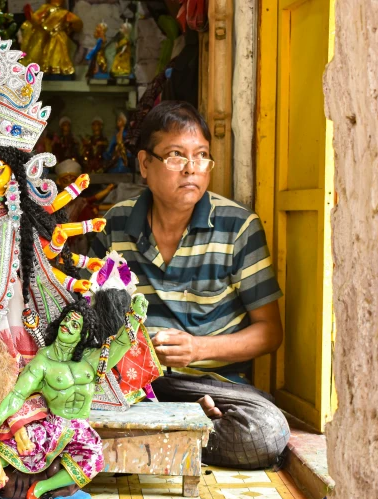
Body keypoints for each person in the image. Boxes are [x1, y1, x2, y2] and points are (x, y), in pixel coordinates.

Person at [90, 100, 290, 469]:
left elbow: (269, 333)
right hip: (132, 383)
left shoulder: (238, 226)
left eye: (201, 156)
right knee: (53, 403)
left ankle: (151, 437)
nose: (191, 169)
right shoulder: (114, 225)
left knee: (266, 432)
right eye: (175, 156)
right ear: (145, 164)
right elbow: (95, 323)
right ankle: (181, 430)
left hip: (213, 386)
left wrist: (197, 349)